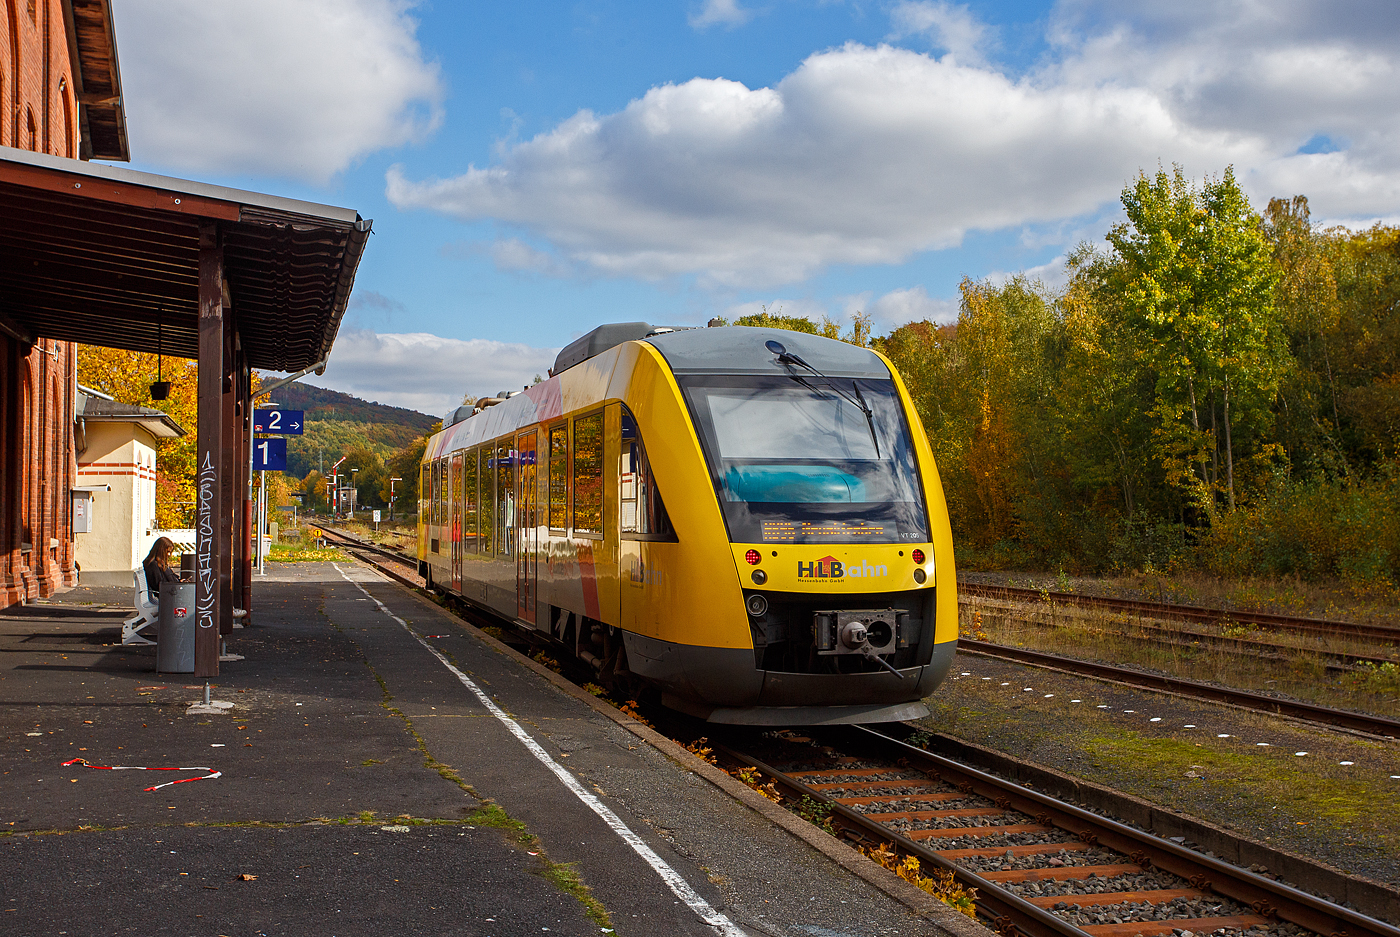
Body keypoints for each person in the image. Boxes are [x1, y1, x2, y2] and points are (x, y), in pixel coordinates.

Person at [142, 537, 180, 601]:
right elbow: (159, 584)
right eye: (167, 552)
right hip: (165, 594)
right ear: (161, 550)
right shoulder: (153, 565)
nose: (169, 555)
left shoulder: (159, 563)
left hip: (167, 591)